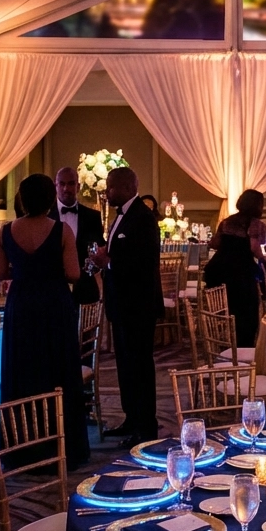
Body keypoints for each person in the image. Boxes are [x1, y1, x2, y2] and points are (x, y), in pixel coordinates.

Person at [0, 174, 90, 468]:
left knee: (22, 372)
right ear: (51, 199)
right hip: (53, 305)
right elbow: (73, 274)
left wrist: (25, 270)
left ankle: (21, 449)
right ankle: (61, 447)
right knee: (57, 371)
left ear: (21, 199)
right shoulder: (61, 231)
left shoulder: (6, 230)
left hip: (21, 305)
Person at [90, 166, 164, 446]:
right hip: (121, 304)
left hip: (138, 306)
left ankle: (146, 427)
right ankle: (131, 418)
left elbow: (143, 263)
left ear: (127, 187)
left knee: (140, 366)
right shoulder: (121, 216)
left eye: (111, 187)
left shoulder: (143, 218)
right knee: (125, 365)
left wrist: (107, 261)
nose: (107, 192)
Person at [204, 189, 266, 348]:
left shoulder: (226, 222)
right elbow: (254, 248)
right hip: (240, 272)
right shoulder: (257, 225)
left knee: (225, 310)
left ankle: (224, 345)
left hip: (217, 270)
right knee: (248, 312)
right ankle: (243, 347)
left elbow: (215, 244)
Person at [51, 167, 105, 305]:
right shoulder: (46, 217)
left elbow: (99, 248)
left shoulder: (92, 217)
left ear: (78, 186)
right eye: (62, 184)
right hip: (53, 287)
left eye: (71, 184)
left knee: (85, 326)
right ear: (55, 186)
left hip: (85, 287)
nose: (66, 188)